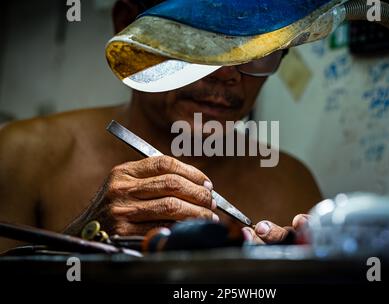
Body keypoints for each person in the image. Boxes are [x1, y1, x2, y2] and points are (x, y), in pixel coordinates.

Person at [0, 0, 322, 252]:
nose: (229, 73)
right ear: (127, 24)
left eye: (259, 49)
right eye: (202, 40)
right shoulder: (25, 156)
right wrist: (87, 237)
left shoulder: (291, 185)